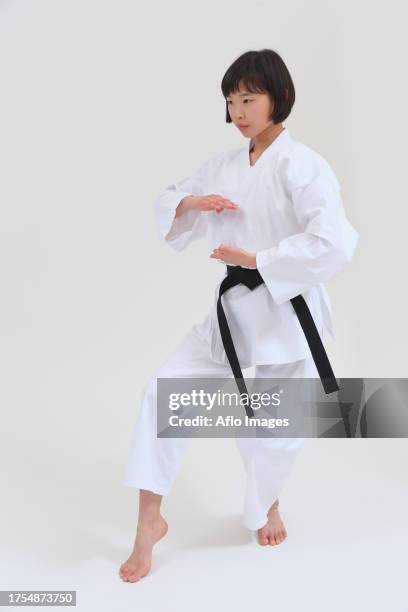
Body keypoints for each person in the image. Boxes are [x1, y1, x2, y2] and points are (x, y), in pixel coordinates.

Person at [119, 48, 359, 583]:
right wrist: (191, 205)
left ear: (278, 98)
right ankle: (149, 520)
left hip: (287, 317)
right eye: (231, 101)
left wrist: (259, 260)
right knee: (162, 394)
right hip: (230, 315)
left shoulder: (305, 166)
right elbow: (171, 196)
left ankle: (264, 507)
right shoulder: (225, 166)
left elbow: (333, 244)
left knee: (271, 434)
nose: (239, 111)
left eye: (248, 98)